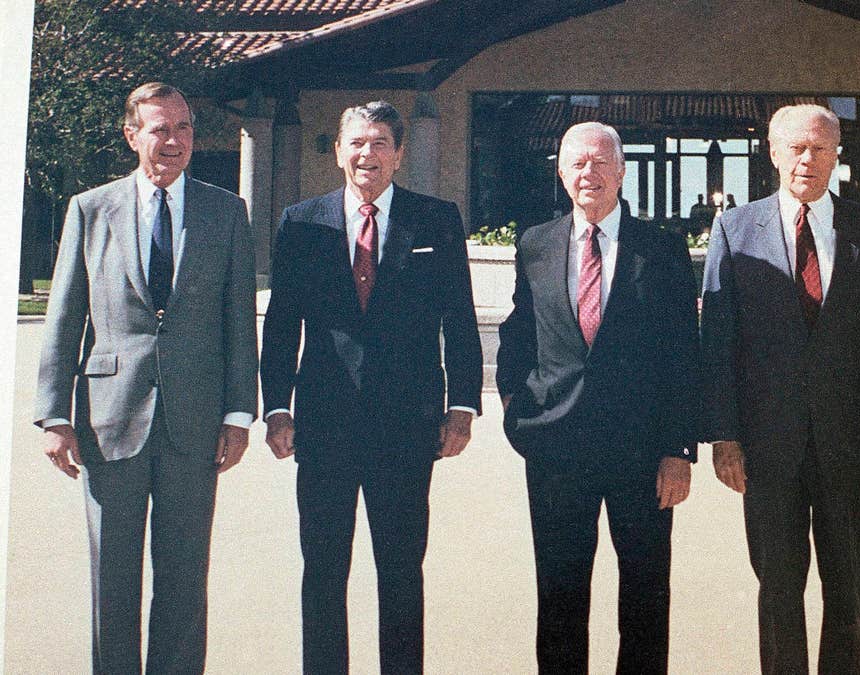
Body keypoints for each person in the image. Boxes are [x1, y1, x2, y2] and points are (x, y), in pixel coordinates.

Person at [34, 81, 258, 674]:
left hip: (196, 422)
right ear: (132, 135)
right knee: (113, 577)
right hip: (109, 419)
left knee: (185, 576)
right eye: (160, 129)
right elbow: (65, 316)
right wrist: (55, 415)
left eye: (184, 128)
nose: (174, 141)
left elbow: (240, 320)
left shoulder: (225, 210)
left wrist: (239, 414)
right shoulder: (91, 208)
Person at [260, 100, 482, 674]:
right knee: (324, 572)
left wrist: (462, 405)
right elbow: (282, 324)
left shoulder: (435, 220)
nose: (367, 154)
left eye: (380, 142)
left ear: (399, 153)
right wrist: (276, 408)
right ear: (338, 152)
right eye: (356, 143)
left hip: (407, 428)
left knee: (403, 572)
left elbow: (459, 318)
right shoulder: (301, 223)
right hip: (324, 424)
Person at [699, 104, 860, 674]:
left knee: (849, 590)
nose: (807, 159)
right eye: (795, 147)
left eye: (820, 148)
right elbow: (718, 343)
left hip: (852, 446)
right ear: (772, 153)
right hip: (768, 448)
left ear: (836, 155)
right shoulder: (734, 229)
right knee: (777, 589)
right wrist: (723, 437)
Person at [496, 121, 698, 674]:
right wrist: (516, 408)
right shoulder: (535, 244)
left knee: (645, 598)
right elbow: (520, 331)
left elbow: (684, 351)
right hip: (556, 450)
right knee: (559, 599)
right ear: (561, 173)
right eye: (577, 163)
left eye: (601, 161)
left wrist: (679, 449)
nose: (590, 173)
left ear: (623, 171)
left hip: (643, 455)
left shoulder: (662, 249)